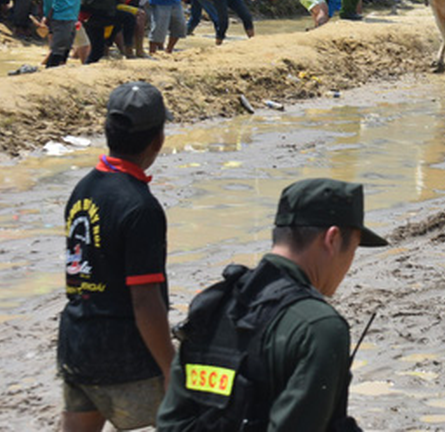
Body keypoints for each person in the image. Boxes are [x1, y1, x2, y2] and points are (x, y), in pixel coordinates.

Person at [156, 178, 388, 431]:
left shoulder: (213, 305)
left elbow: (171, 422)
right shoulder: (319, 328)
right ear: (332, 239)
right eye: (353, 248)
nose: (349, 263)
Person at [58, 81, 173, 432]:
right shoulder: (141, 208)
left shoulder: (85, 187)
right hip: (124, 353)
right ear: (158, 140)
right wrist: (171, 368)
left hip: (77, 343)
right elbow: (144, 301)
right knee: (185, 418)